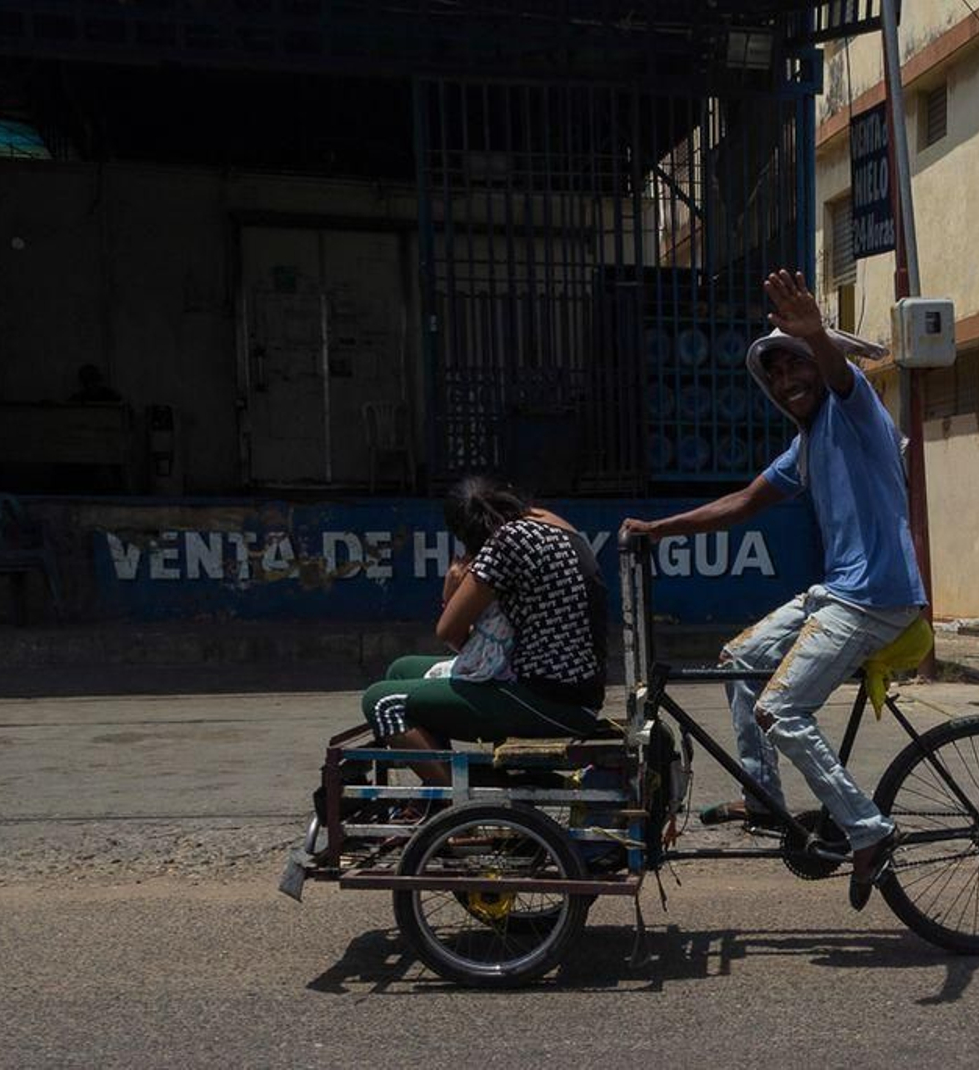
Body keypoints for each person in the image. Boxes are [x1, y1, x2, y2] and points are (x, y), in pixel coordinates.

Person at [621, 269, 928, 910]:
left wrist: (814, 333)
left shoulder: (855, 411)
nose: (789, 384)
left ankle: (867, 829)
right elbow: (742, 502)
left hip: (875, 597)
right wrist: (658, 528)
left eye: (799, 370)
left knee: (781, 709)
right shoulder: (808, 444)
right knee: (741, 660)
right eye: (777, 376)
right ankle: (765, 799)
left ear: (821, 369)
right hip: (838, 593)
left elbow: (843, 377)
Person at [361, 475, 608, 787]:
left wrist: (451, 586)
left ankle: (454, 802)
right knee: (401, 670)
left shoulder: (505, 542)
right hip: (570, 689)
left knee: (382, 702)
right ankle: (444, 780)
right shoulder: (545, 520)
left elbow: (450, 631)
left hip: (545, 699)